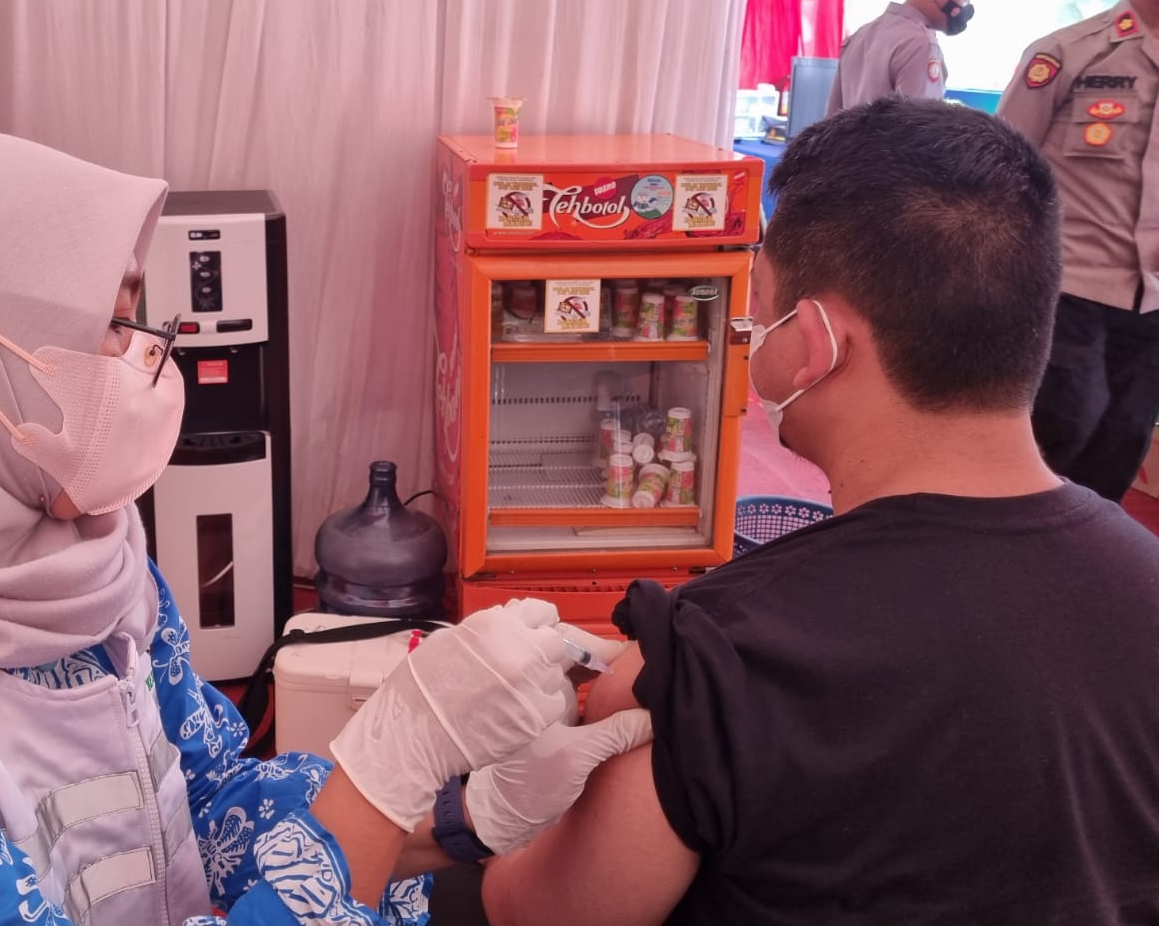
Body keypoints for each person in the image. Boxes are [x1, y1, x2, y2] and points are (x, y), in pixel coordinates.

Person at [0, 129, 651, 925]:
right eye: (112, 324)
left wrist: (453, 813)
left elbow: (200, 805)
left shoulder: (79, 573)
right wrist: (384, 775)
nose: (148, 362)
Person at [480, 97, 1159, 925]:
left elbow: (538, 912)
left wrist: (494, 803)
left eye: (756, 308)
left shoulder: (720, 656)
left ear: (814, 341)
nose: (749, 333)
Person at [997, 0, 1159, 504]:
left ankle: (1080, 552)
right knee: (1059, 431)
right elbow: (1002, 171)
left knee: (1123, 441)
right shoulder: (1068, 54)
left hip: (1152, 302)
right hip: (1070, 288)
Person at [824, 0, 980, 114]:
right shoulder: (921, 45)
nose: (967, 7)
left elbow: (831, 121)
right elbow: (920, 127)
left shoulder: (860, 35)